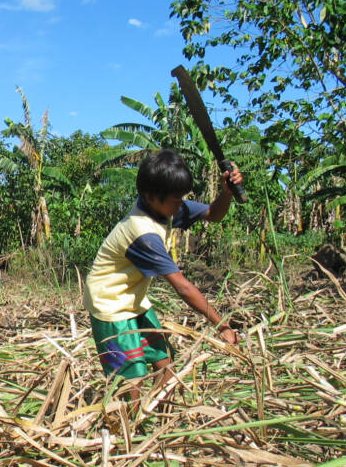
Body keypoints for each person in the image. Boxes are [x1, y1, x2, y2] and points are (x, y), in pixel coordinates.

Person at [82, 149, 242, 410]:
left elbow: (213, 214)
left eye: (182, 199)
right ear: (151, 197)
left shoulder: (166, 206)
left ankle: (157, 417)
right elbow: (182, 286)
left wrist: (227, 192)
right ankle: (131, 431)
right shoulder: (143, 232)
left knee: (166, 363)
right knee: (130, 380)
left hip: (134, 300)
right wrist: (221, 325)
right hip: (110, 305)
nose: (181, 205)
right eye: (176, 200)